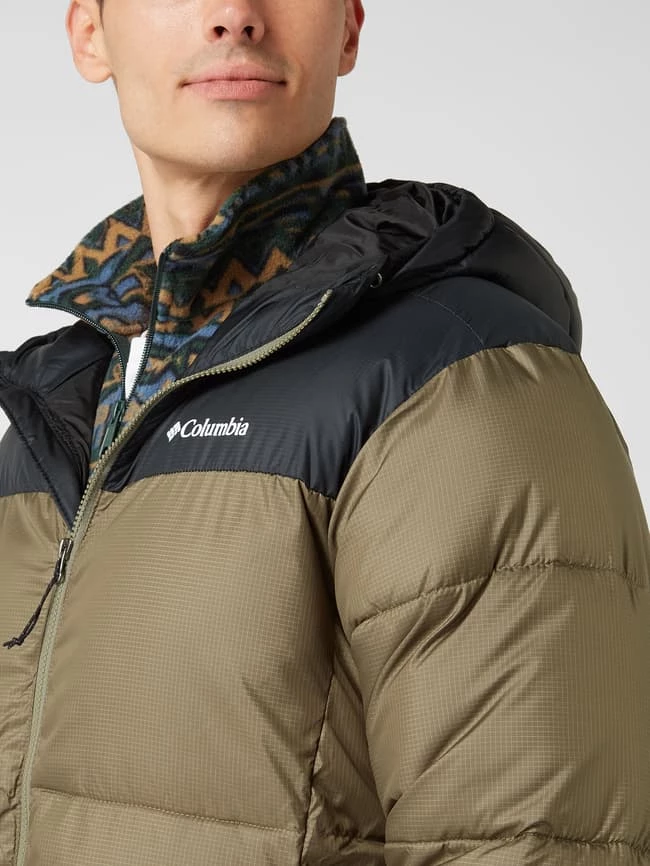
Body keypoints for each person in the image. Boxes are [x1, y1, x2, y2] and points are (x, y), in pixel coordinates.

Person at [0, 0, 648, 863]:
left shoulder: (457, 381)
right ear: (91, 34)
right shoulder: (62, 407)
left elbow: (530, 840)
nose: (234, 15)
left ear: (347, 28)